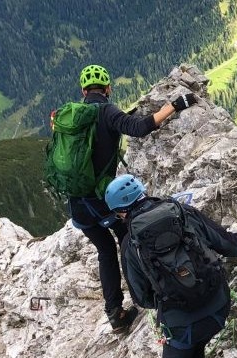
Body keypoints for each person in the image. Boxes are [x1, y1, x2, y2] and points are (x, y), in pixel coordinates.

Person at [105, 174, 237, 358]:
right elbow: (228, 245)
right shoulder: (181, 211)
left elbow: (142, 298)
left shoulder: (130, 243)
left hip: (183, 327)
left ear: (121, 213)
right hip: (218, 308)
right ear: (144, 192)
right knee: (195, 348)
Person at [67, 64, 198, 333]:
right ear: (108, 89)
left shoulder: (71, 118)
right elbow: (139, 128)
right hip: (102, 201)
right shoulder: (107, 111)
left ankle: (115, 313)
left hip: (78, 204)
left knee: (105, 251)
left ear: (83, 91)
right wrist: (174, 105)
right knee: (130, 238)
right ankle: (153, 291)